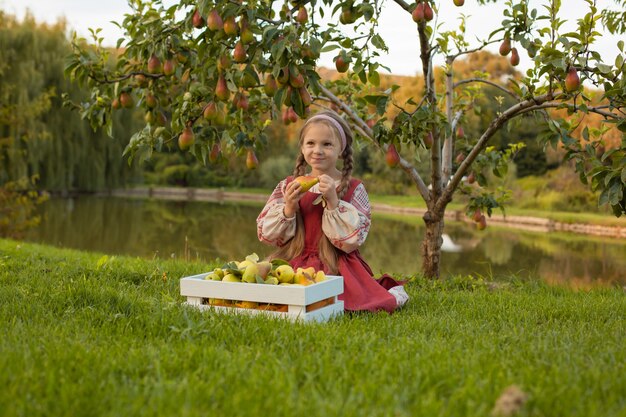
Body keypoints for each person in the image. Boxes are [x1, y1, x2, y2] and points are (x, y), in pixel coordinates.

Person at [256, 111, 409, 313]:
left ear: (341, 150)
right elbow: (268, 235)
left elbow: (352, 241)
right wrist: (289, 207)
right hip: (294, 260)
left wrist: (333, 202)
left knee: (340, 302)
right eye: (310, 143)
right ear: (302, 148)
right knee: (271, 296)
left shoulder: (353, 187)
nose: (317, 150)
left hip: (337, 266)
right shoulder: (289, 186)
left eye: (327, 144)